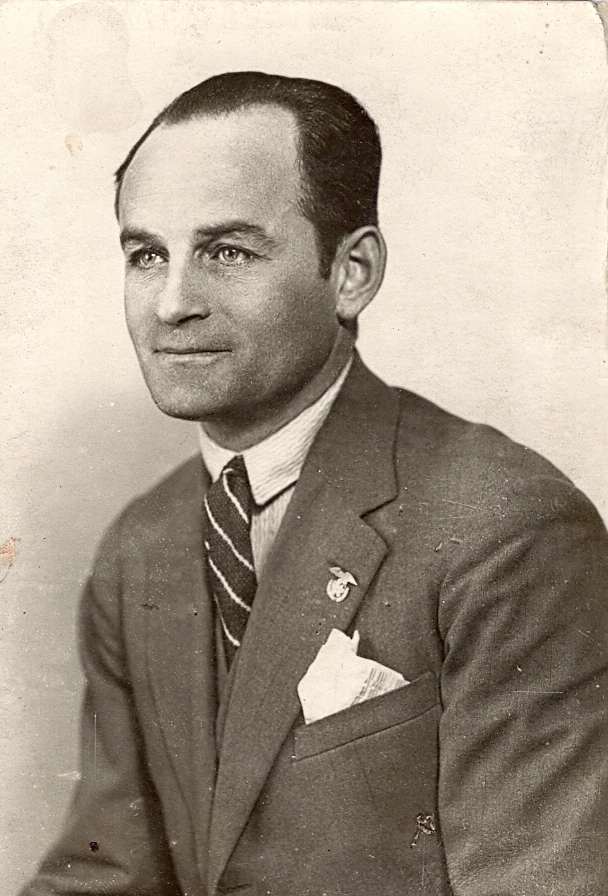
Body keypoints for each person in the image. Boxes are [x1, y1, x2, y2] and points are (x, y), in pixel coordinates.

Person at [21, 72, 608, 896]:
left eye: (227, 252)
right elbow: (108, 876)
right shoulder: (141, 546)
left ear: (352, 272)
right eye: (147, 255)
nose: (172, 303)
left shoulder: (508, 530)